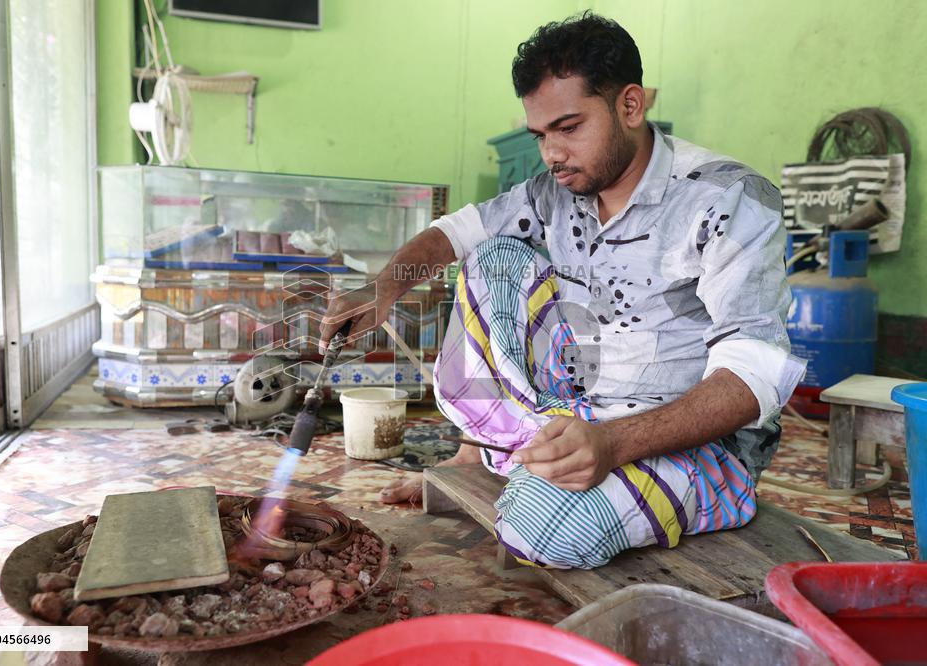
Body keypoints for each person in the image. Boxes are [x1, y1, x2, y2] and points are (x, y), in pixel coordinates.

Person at [318, 12, 805, 569]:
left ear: (630, 105)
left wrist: (614, 445)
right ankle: (479, 458)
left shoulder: (728, 198)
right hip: (582, 405)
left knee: (544, 533)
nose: (551, 154)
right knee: (494, 255)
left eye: (569, 128)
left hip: (690, 442)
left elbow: (758, 373)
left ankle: (581, 482)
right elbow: (458, 231)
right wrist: (383, 291)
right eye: (541, 135)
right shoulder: (558, 191)